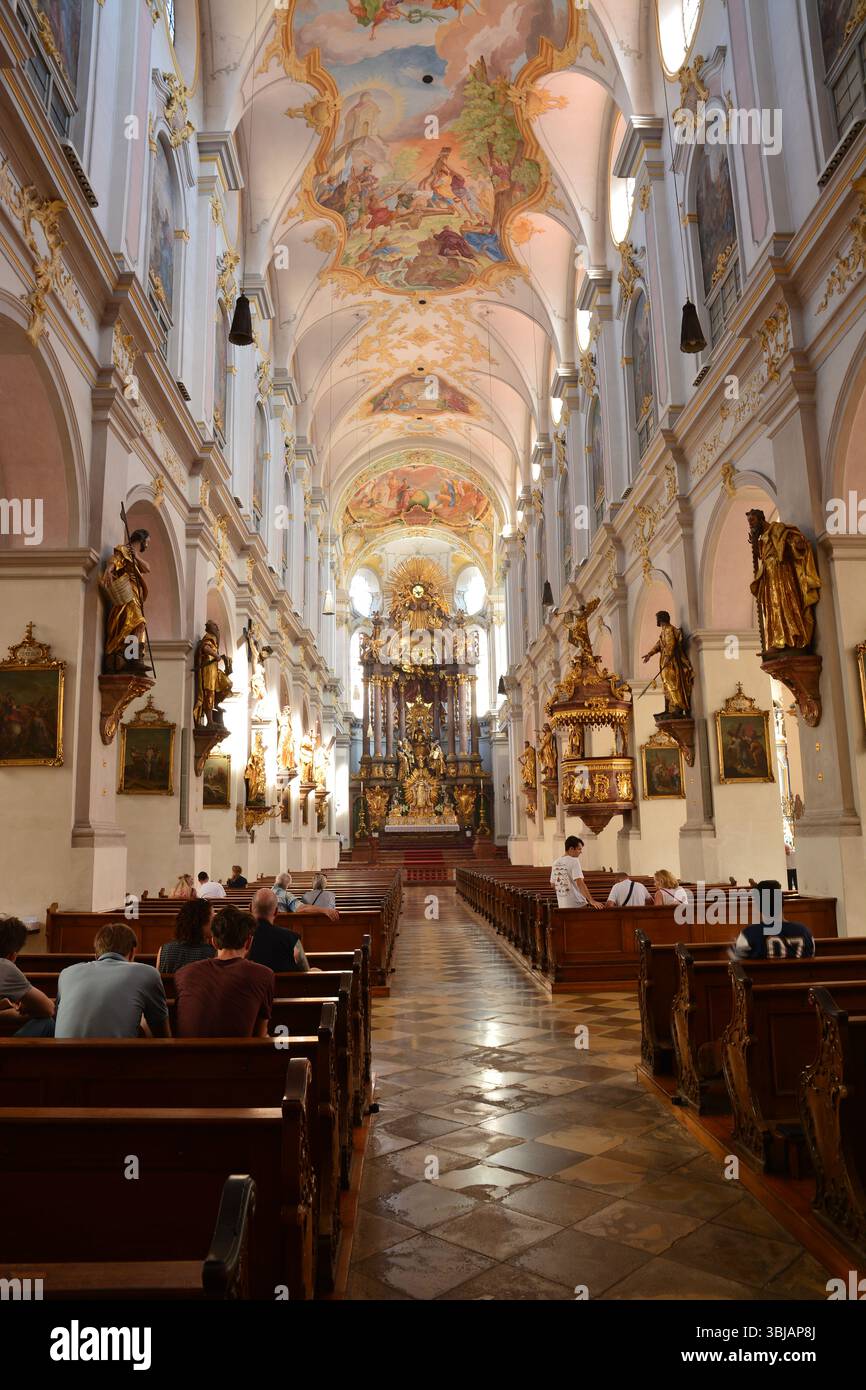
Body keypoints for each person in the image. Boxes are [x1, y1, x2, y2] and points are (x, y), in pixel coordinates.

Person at [53, 923, 169, 1039]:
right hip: (115, 1056)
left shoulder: (66, 973)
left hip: (61, 1055)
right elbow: (162, 1035)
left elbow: (58, 1017)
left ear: (96, 954)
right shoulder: (148, 973)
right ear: (133, 952)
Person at [174, 906, 274, 1038]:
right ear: (249, 942)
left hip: (188, 1057)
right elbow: (260, 1036)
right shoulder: (264, 975)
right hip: (237, 1057)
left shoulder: (183, 973)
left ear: (213, 942)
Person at [0, 915, 55, 1033]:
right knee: (47, 1022)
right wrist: (29, 1009)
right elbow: (48, 1009)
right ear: (12, 956)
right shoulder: (4, 966)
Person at [733, 880, 815, 959]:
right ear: (782, 903)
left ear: (758, 906)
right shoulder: (804, 931)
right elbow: (811, 955)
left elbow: (739, 962)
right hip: (799, 973)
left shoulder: (748, 934)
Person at [248, 888, 314, 974]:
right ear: (276, 911)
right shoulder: (291, 938)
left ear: (250, 909)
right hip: (285, 987)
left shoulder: (241, 936)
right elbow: (305, 971)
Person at [156, 899, 216, 975]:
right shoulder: (212, 953)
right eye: (213, 919)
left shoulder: (164, 950)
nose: (215, 923)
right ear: (201, 922)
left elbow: (159, 983)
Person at [550, 837, 603, 910]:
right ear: (571, 849)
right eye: (579, 849)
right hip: (577, 904)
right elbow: (579, 882)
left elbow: (553, 884)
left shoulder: (555, 863)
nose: (581, 852)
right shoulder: (574, 861)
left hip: (562, 905)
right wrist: (591, 900)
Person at [272, 872, 339, 921]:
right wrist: (325, 910)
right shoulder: (286, 895)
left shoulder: (263, 893)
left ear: (276, 881)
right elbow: (302, 908)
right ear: (288, 884)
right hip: (280, 929)